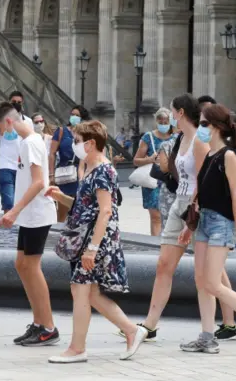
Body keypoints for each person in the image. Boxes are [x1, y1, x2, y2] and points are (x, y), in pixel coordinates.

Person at [46, 121, 147, 363]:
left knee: (81, 290)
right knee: (88, 293)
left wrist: (91, 249)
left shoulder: (103, 170)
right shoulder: (92, 168)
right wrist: (62, 197)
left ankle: (77, 348)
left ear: (91, 143)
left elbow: (105, 212)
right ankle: (132, 331)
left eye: (77, 140)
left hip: (95, 239)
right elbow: (85, 208)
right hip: (90, 237)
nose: (74, 145)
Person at [179, 104, 236, 354]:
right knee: (201, 281)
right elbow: (200, 193)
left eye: (204, 124)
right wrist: (189, 224)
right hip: (206, 221)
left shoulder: (229, 156)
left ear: (218, 127)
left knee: (212, 282)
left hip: (223, 223)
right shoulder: (209, 155)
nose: (200, 129)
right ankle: (207, 337)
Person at [119, 94, 207, 341]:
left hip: (195, 208)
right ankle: (150, 324)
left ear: (179, 113)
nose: (168, 119)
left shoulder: (201, 140)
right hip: (179, 203)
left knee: (209, 275)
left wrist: (193, 216)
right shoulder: (181, 138)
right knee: (163, 265)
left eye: (172, 113)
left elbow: (203, 180)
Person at [0, 101, 59, 346]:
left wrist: (14, 212)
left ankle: (48, 326)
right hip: (30, 215)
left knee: (31, 266)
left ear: (9, 122)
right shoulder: (29, 140)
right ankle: (39, 322)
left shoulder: (29, 142)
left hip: (36, 214)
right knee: (22, 264)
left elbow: (39, 182)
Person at [0, 91, 33, 220]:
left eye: (19, 102)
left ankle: (18, 225)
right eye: (13, 102)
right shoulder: (1, 121)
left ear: (22, 104)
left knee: (21, 200)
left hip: (23, 165)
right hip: (6, 165)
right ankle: (7, 227)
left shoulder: (28, 121)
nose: (16, 104)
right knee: (8, 200)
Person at [133, 108, 174, 237]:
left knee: (170, 214)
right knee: (156, 216)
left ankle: (168, 242)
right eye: (160, 121)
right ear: (156, 121)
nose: (163, 123)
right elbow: (136, 160)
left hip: (170, 179)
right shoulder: (148, 137)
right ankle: (156, 244)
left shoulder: (176, 137)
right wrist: (150, 159)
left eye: (166, 121)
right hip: (152, 179)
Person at [49, 106, 90, 222]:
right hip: (64, 174)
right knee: (62, 212)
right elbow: (52, 153)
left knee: (79, 211)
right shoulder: (62, 131)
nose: (74, 117)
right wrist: (51, 175)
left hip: (81, 173)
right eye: (72, 114)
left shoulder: (86, 133)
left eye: (77, 115)